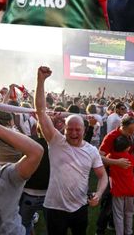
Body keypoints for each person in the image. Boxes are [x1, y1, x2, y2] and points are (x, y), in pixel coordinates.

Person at [34, 66, 108, 235]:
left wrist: (99, 193)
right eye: (70, 129)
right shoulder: (55, 141)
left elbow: (103, 175)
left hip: (80, 207)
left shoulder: (91, 150)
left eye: (78, 130)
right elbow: (40, 111)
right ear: (64, 129)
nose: (74, 133)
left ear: (84, 129)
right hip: (54, 208)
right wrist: (40, 81)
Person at [106, 134, 134, 235]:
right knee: (129, 213)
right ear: (127, 147)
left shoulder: (110, 157)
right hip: (130, 190)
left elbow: (105, 161)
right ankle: (129, 232)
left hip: (118, 190)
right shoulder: (131, 158)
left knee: (118, 214)